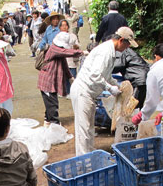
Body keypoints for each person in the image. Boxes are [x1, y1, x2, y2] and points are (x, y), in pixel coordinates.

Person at [70, 27, 137, 155]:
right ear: (121, 40)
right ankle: (83, 159)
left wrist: (115, 84)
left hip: (90, 93)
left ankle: (90, 156)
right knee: (83, 130)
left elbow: (105, 75)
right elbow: (94, 75)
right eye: (127, 44)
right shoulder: (105, 52)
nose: (127, 48)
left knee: (89, 129)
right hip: (82, 91)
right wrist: (109, 88)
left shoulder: (111, 52)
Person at [38, 32, 82, 125]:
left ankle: (48, 120)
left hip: (51, 81)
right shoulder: (54, 49)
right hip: (47, 81)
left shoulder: (59, 52)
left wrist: (70, 77)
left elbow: (64, 65)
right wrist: (82, 52)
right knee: (52, 104)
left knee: (50, 103)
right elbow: (66, 52)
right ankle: (54, 123)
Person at [58, 19, 80, 95]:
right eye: (62, 25)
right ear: (60, 27)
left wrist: (76, 47)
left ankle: (73, 92)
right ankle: (66, 92)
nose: (64, 27)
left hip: (72, 59)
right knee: (64, 77)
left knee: (73, 76)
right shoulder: (58, 37)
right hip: (62, 59)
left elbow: (78, 45)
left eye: (66, 25)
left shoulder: (73, 36)